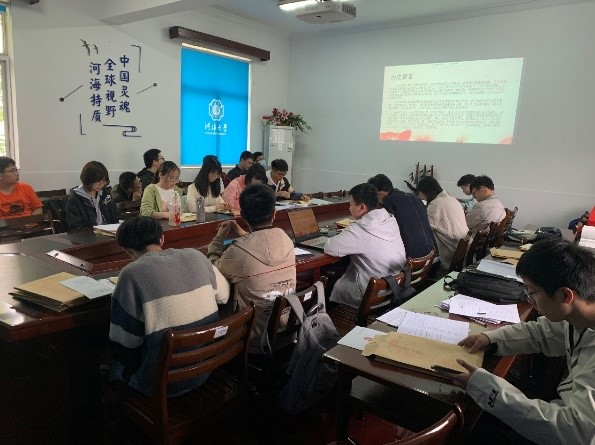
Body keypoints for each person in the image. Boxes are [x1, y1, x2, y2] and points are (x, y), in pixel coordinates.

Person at [449, 239, 595, 445]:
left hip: (572, 433)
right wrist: (490, 338)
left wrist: (488, 388)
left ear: (565, 295)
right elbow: (542, 333)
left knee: (470, 429)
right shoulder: (580, 315)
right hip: (570, 412)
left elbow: (576, 432)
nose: (529, 300)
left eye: (532, 291)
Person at [109, 216, 230, 396]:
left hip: (162, 384)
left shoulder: (131, 274)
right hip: (207, 368)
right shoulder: (196, 255)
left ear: (127, 250)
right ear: (162, 239)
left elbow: (125, 342)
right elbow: (224, 296)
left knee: (111, 365)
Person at [207, 184, 296, 354]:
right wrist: (244, 234)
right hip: (285, 332)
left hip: (252, 340)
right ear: (274, 213)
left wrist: (219, 238)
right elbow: (263, 243)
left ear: (242, 215)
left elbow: (213, 269)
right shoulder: (286, 240)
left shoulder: (238, 252)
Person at [324, 183, 407, 308]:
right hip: (393, 288)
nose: (349, 208)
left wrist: (347, 232)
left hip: (370, 294)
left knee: (327, 281)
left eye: (351, 204)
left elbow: (330, 247)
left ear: (361, 207)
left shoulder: (361, 228)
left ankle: (327, 317)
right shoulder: (389, 219)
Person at [367, 174, 436, 259]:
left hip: (412, 259)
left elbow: (380, 231)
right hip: (431, 255)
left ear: (379, 194)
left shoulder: (388, 202)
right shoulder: (414, 197)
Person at [416, 176, 469, 271]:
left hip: (450, 255)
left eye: (420, 193)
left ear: (426, 192)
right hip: (463, 251)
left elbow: (422, 230)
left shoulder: (435, 205)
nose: (420, 196)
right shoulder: (452, 199)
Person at [66, 161, 120, 229]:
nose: (101, 184)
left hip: (109, 232)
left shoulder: (105, 194)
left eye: (104, 181)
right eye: (98, 181)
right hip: (89, 234)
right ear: (88, 180)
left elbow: (116, 216)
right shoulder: (75, 200)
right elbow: (76, 227)